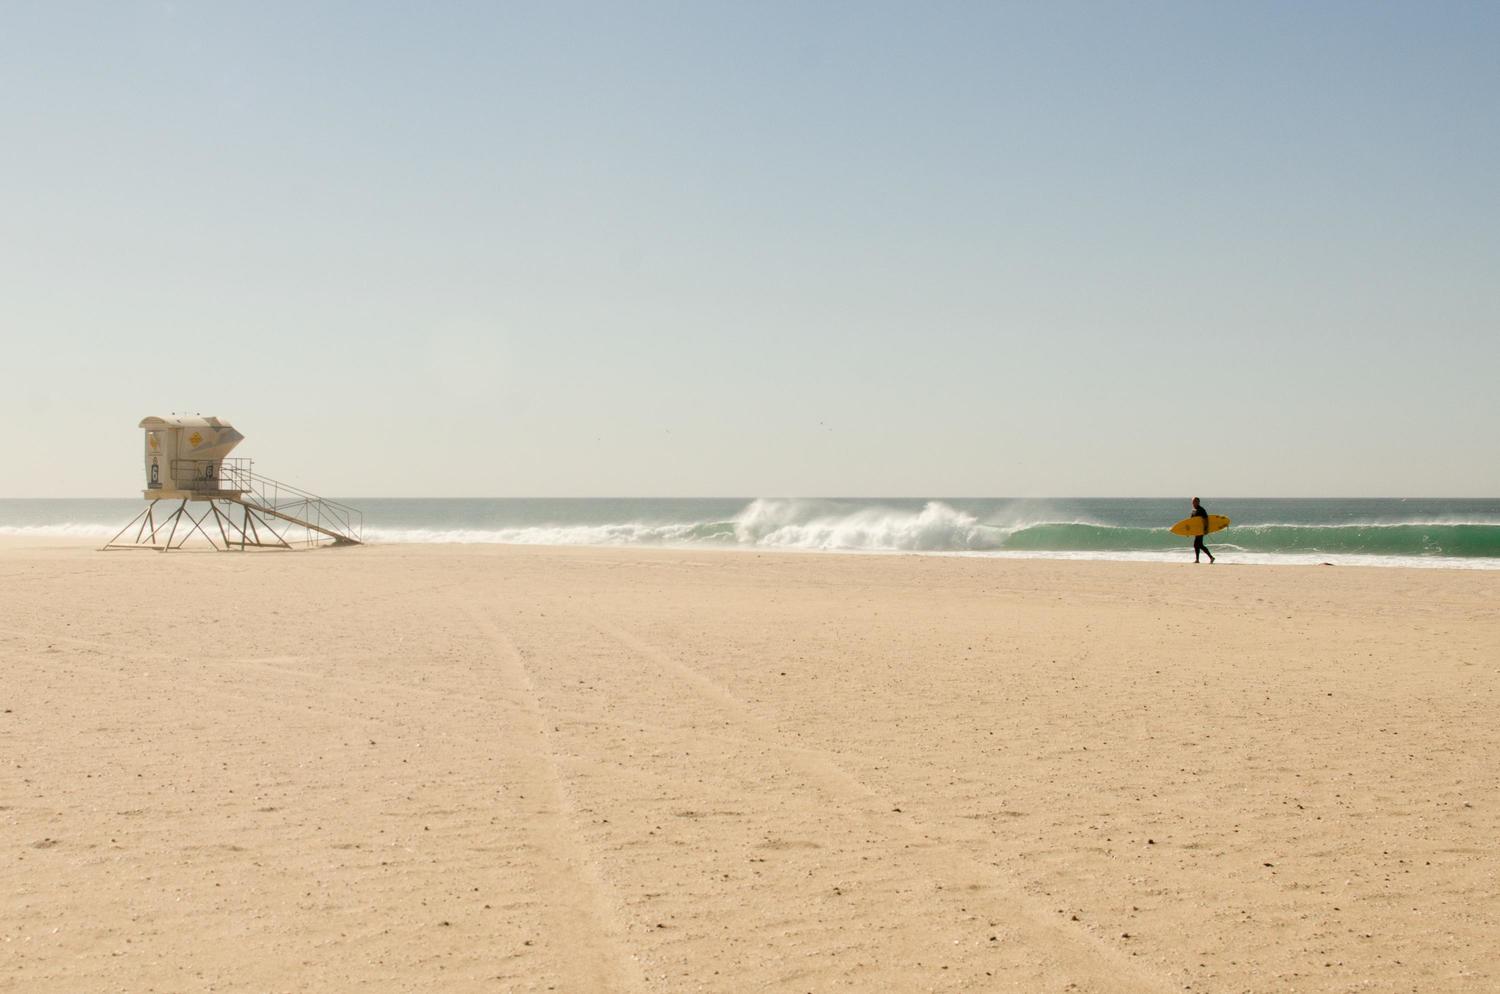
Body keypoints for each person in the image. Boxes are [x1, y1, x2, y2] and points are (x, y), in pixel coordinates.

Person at [1190, 497, 1215, 564]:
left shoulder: (1201, 510)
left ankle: (1208, 558)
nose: (1193, 503)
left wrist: (1206, 529)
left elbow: (1206, 519)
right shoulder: (1193, 510)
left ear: (1198, 502)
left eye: (1195, 501)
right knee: (1198, 545)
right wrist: (1189, 531)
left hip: (1201, 530)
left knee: (1197, 544)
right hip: (1196, 530)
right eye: (1193, 502)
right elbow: (1191, 521)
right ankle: (1204, 558)